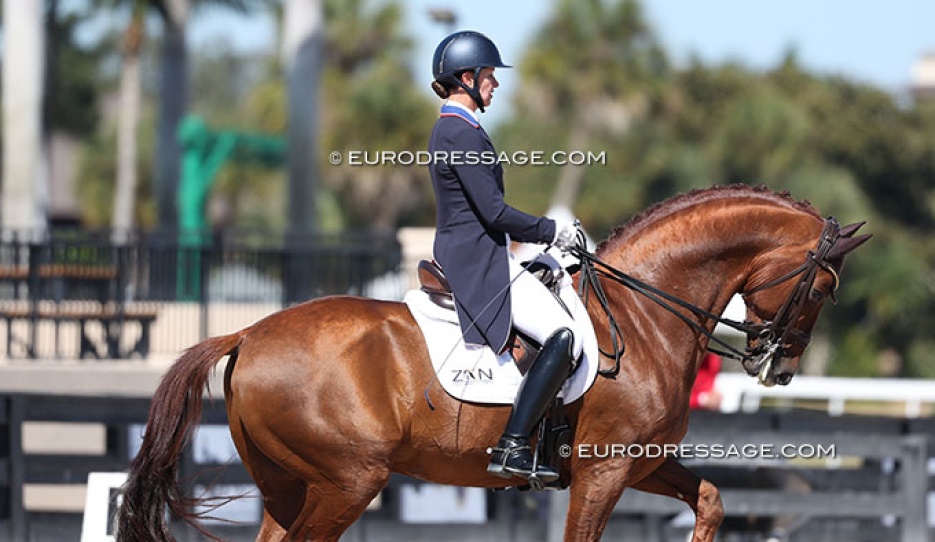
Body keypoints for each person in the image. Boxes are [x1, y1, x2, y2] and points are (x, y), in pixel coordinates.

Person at [427, 30, 585, 484]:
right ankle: (513, 445)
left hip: (480, 253)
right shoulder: (459, 131)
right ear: (467, 77)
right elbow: (494, 212)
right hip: (477, 261)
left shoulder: (459, 129)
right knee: (564, 333)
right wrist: (552, 230)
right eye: (490, 76)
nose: (495, 84)